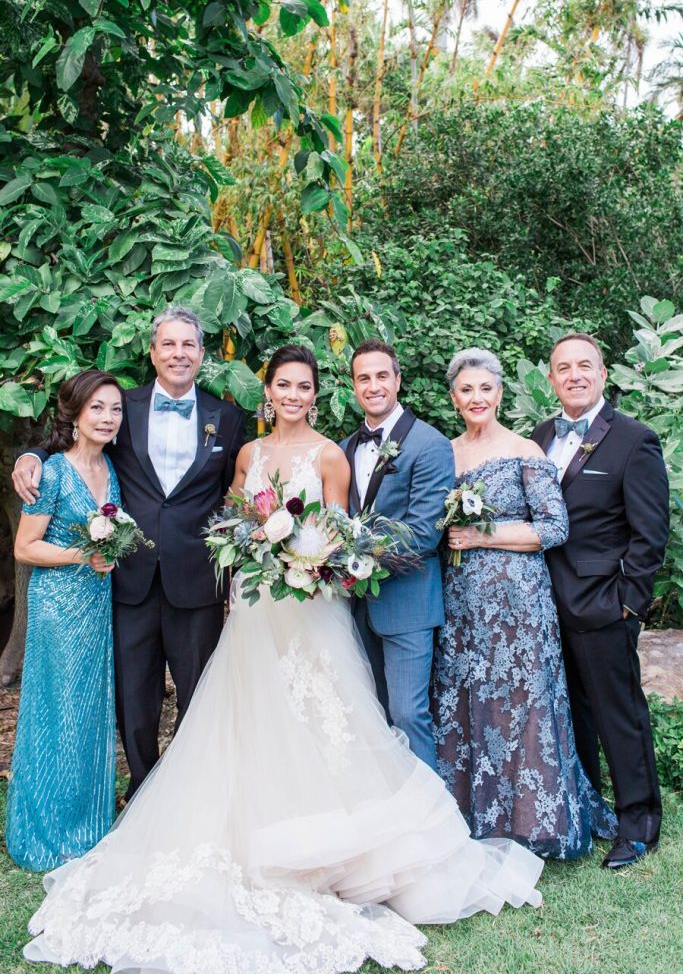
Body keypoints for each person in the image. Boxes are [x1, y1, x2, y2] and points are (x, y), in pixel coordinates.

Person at [22, 345, 543, 974]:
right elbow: (233, 516)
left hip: (311, 603)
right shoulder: (247, 452)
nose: (293, 396)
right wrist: (251, 548)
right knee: (248, 711)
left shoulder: (331, 455)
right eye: (283, 386)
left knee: (325, 714)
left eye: (304, 387)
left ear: (316, 395)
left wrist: (306, 560)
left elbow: (342, 529)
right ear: (268, 393)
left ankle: (332, 839)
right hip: (252, 603)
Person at [12, 306, 245, 799]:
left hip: (197, 582)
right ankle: (141, 789)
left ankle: (186, 792)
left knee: (197, 693)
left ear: (201, 354)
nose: (179, 353)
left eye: (189, 345)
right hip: (126, 577)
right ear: (153, 351)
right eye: (169, 344)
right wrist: (30, 456)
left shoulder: (228, 418)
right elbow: (73, 441)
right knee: (133, 697)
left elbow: (232, 496)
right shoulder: (122, 407)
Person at [431, 348, 617, 859]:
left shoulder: (525, 452)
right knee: (464, 699)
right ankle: (468, 816)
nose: (476, 398)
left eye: (485, 389)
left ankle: (535, 821)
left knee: (521, 704)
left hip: (519, 602)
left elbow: (555, 528)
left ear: (499, 393)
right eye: (466, 390)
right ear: (454, 397)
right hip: (462, 601)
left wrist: (483, 535)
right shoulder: (442, 453)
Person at [532, 332, 669, 869]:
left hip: (603, 606)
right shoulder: (540, 436)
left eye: (584, 365)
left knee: (619, 714)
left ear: (603, 374)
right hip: (544, 605)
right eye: (563, 368)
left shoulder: (634, 440)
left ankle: (639, 825)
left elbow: (649, 533)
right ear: (552, 380)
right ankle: (590, 810)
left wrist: (627, 605)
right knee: (571, 716)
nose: (574, 375)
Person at [6, 370, 123, 871]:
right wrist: (84, 554)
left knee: (92, 707)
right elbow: (24, 546)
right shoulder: (52, 471)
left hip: (98, 603)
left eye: (115, 409)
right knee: (60, 708)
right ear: (75, 415)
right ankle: (49, 827)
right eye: (97, 408)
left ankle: (88, 822)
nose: (107, 417)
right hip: (58, 606)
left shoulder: (110, 467)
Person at [340, 339, 454, 770]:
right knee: (368, 715)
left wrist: (349, 553)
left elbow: (425, 533)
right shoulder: (345, 446)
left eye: (381, 376)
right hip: (353, 606)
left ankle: (431, 821)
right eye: (363, 378)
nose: (373, 386)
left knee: (409, 713)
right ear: (354, 386)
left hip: (406, 603)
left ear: (398, 380)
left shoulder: (430, 444)